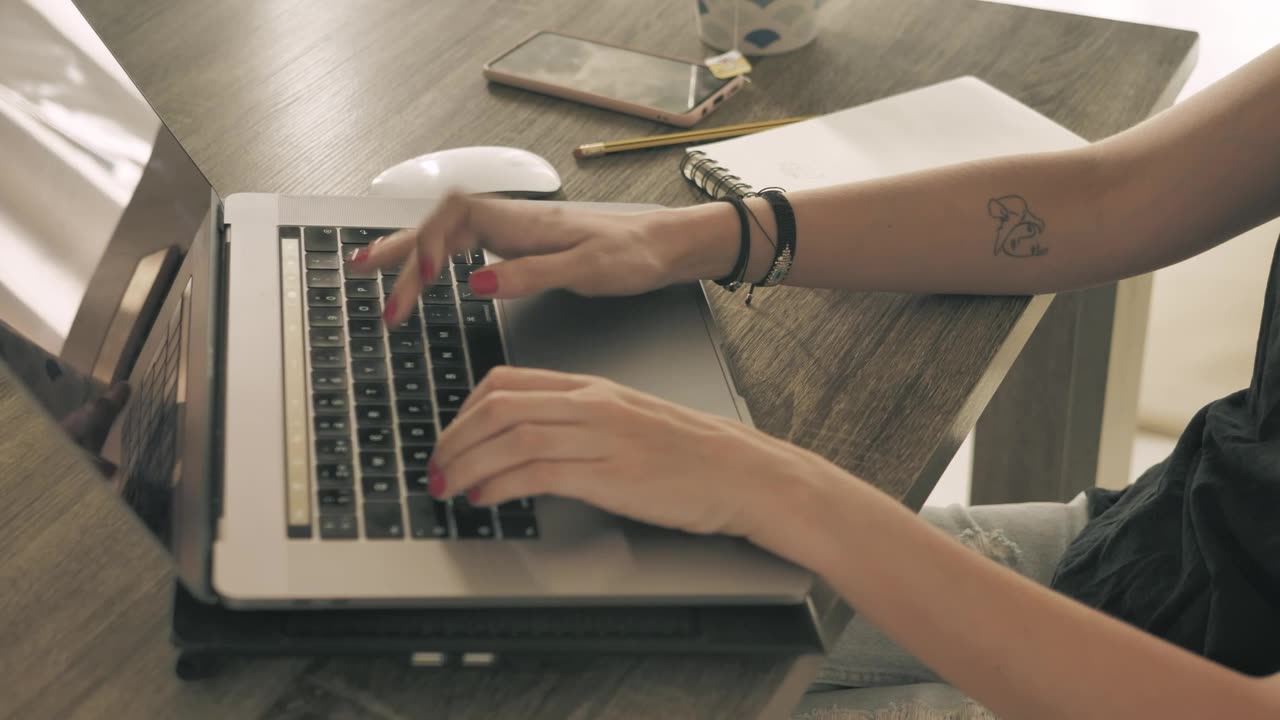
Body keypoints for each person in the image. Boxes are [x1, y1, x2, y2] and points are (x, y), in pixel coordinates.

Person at [351, 43, 1280, 719]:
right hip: (1167, 558)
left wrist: (771, 482)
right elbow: (1109, 199)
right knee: (522, 618)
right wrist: (688, 237)